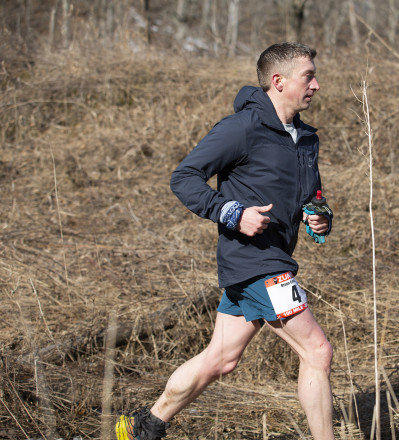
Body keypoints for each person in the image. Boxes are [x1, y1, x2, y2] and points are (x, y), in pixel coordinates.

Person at [115, 42, 335, 440]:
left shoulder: (304, 138)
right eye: (309, 76)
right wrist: (232, 213)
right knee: (317, 352)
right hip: (259, 264)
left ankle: (141, 428)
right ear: (278, 81)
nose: (316, 85)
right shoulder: (242, 128)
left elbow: (311, 197)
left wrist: (318, 218)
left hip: (264, 262)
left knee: (220, 360)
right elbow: (184, 178)